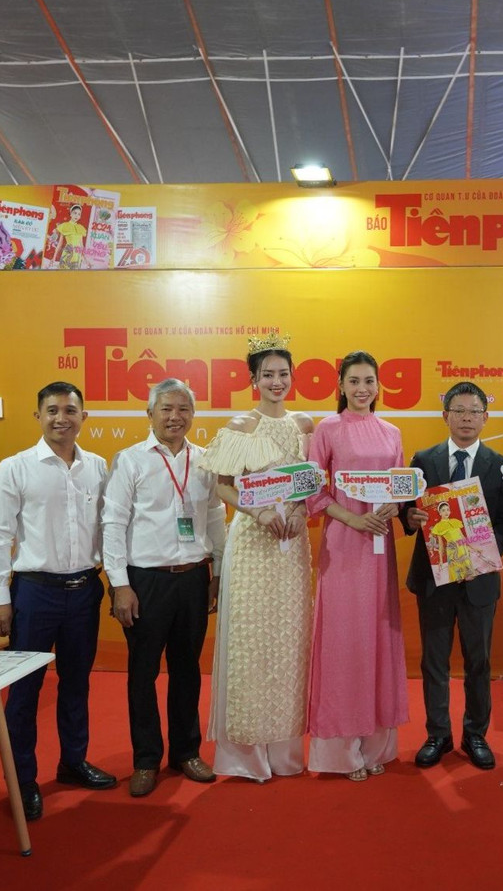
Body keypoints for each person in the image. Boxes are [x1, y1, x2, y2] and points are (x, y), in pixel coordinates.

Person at [0, 381, 115, 821]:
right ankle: (22, 780)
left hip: (84, 591)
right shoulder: (15, 468)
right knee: (25, 692)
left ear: (83, 417)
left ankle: (73, 762)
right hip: (34, 594)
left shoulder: (98, 467)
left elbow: (109, 530)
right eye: (53, 410)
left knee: (77, 684)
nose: (62, 418)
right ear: (38, 416)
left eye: (70, 410)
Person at [197, 332, 314, 781]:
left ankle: (285, 752)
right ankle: (247, 756)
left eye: (283, 373)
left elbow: (311, 482)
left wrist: (300, 512)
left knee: (288, 643)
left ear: (292, 376)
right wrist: (258, 512)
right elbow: (223, 485)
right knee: (250, 643)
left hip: (291, 546)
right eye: (268, 375)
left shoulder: (305, 424)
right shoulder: (242, 424)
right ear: (253, 379)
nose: (276, 382)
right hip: (251, 543)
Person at [103, 378, 226, 797]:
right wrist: (120, 585)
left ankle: (186, 752)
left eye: (183, 409)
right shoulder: (130, 460)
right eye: (167, 409)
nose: (175, 417)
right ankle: (145, 759)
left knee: (187, 669)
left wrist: (217, 573)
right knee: (143, 673)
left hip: (193, 578)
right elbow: (113, 524)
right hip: (145, 581)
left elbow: (215, 516)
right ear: (150, 414)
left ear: (193, 414)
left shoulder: (205, 460)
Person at [401, 382, 503, 771]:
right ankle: (438, 734)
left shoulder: (500, 466)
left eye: (474, 411)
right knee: (434, 661)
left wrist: (481, 555)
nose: (466, 418)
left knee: (478, 661)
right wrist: (410, 517)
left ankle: (475, 734)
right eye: (459, 410)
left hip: (478, 581)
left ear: (486, 417)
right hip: (433, 580)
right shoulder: (423, 460)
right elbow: (407, 510)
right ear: (445, 415)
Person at [304, 351, 409, 781]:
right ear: (341, 386)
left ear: (378, 385)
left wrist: (391, 507)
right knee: (344, 641)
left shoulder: (392, 432)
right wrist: (352, 518)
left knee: (377, 637)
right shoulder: (327, 429)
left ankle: (375, 745)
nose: (362, 389)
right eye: (354, 381)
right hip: (344, 545)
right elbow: (313, 489)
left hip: (380, 545)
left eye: (369, 381)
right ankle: (342, 752)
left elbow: (402, 486)